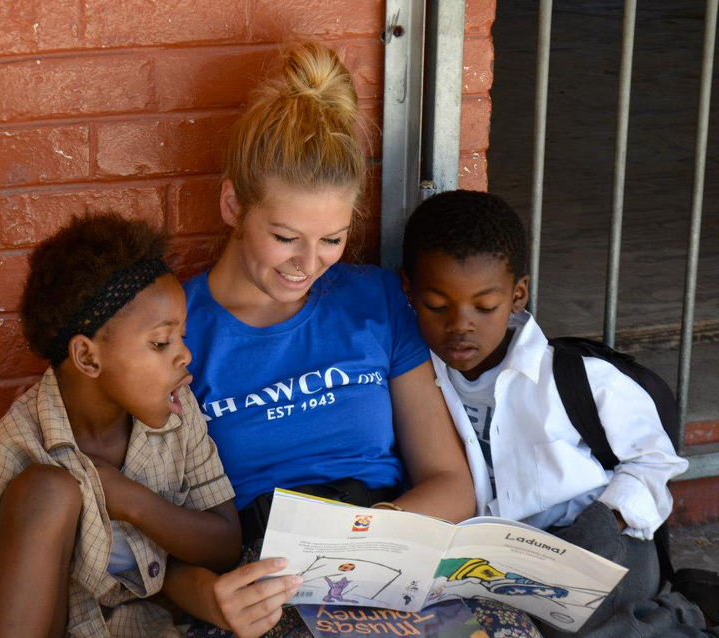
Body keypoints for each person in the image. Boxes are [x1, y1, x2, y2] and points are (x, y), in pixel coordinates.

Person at [180, 42, 541, 638]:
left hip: (388, 543)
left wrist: (370, 533)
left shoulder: (373, 301)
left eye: (331, 240)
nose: (307, 265)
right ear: (231, 204)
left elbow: (452, 485)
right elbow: (149, 525)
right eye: (285, 236)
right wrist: (206, 597)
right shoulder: (181, 329)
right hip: (266, 575)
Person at [0, 214, 300, 638]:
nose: (185, 357)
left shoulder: (179, 416)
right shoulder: (13, 446)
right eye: (161, 343)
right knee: (47, 490)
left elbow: (224, 545)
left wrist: (129, 501)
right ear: (87, 357)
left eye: (182, 337)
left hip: (139, 629)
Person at [401, 189, 717, 637]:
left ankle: (681, 617)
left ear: (517, 295)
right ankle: (667, 624)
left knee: (563, 624)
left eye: (485, 307)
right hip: (493, 566)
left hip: (598, 542)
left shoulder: (579, 378)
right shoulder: (413, 379)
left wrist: (608, 521)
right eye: (437, 306)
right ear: (408, 291)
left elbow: (655, 461)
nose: (460, 325)